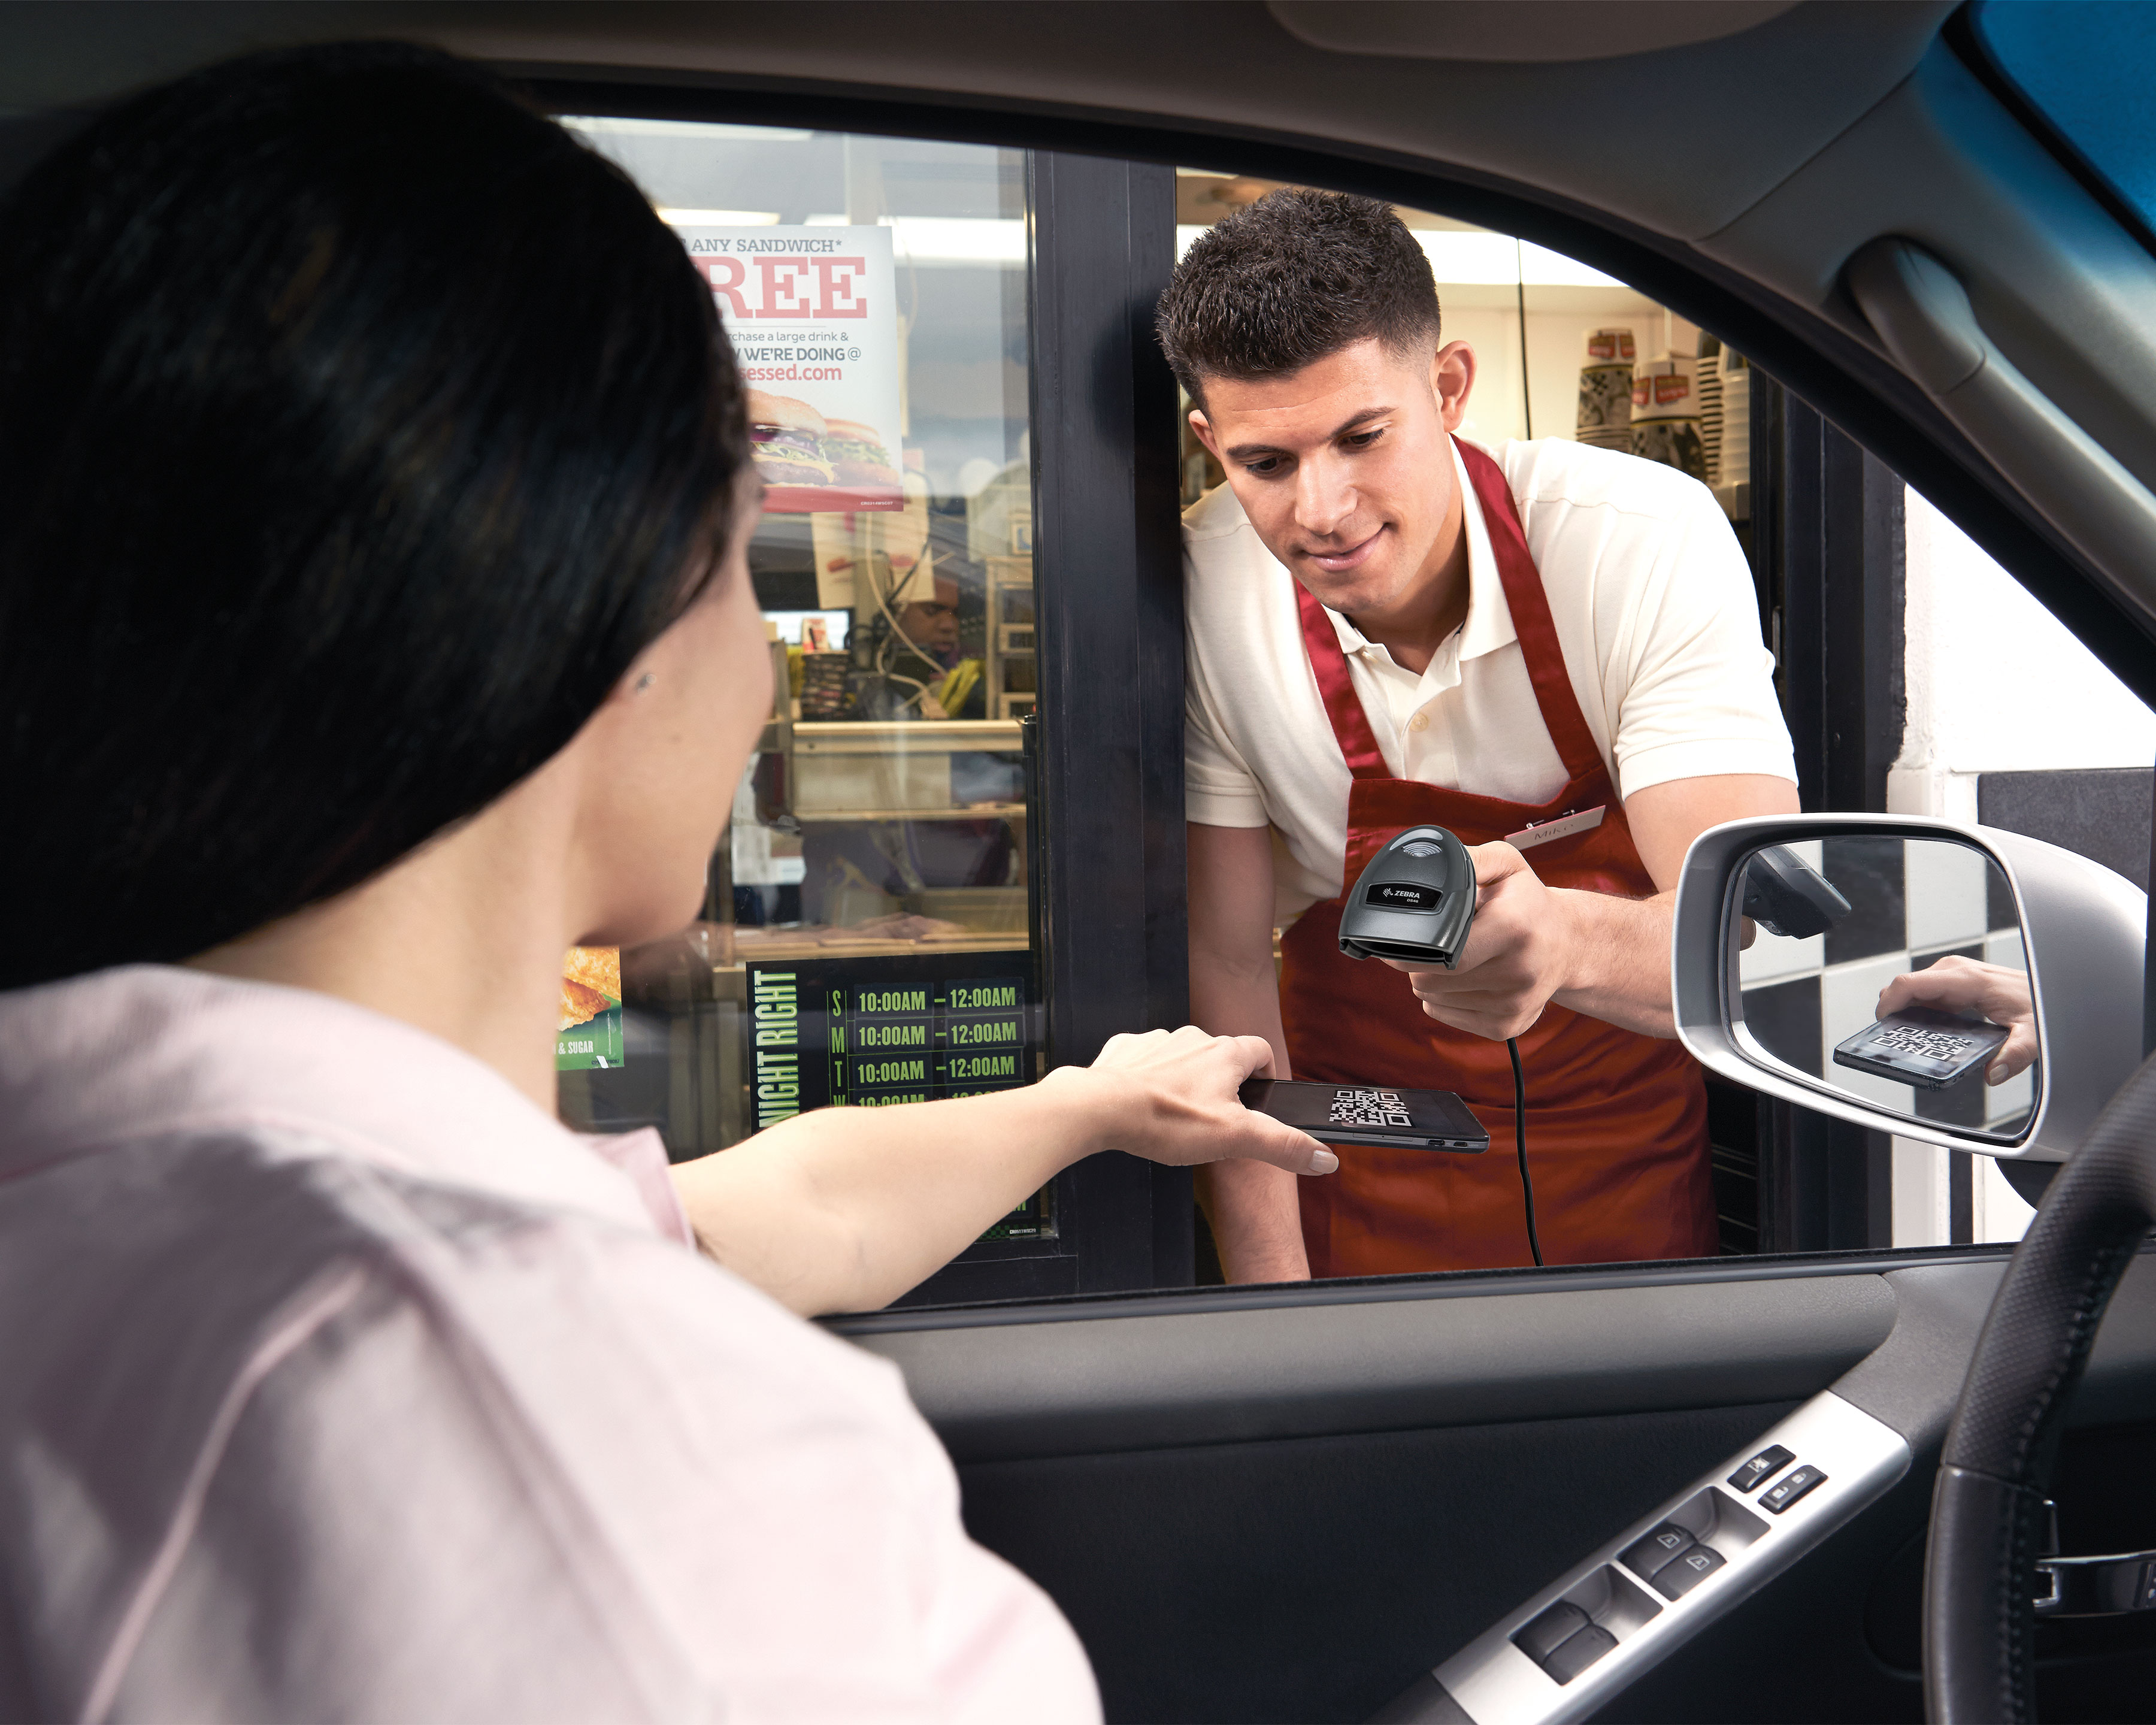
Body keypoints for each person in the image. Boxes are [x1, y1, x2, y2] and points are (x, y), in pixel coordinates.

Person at [0, 46, 1335, 1721]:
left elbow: (758, 1217)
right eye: (743, 545)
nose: (766, 679)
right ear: (608, 613)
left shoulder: (112, 1185)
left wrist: (1086, 1107)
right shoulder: (600, 1464)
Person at [1162, 189, 1801, 1283]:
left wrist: (1559, 941)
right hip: (1354, 1155)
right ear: (1210, 443)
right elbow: (1225, 961)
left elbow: (1750, 926)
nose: (1323, 509)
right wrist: (1269, 1311)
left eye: (1364, 437)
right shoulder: (1207, 590)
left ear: (1449, 387)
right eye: (1266, 464)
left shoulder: (1635, 542)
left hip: (1624, 1153)